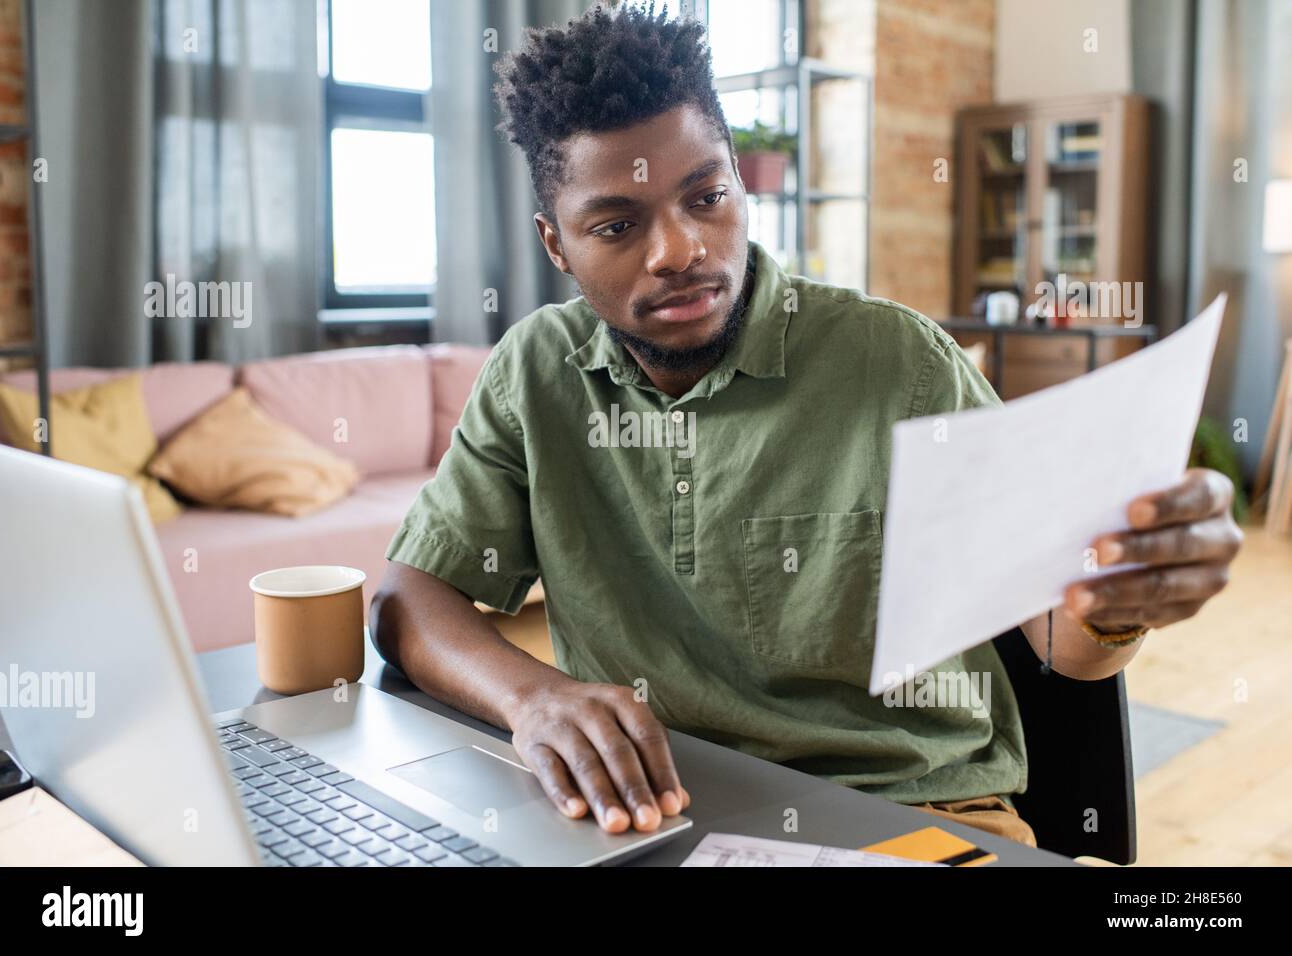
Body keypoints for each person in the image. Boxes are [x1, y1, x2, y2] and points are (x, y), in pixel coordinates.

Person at [370, 4, 1241, 848]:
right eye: (617, 225)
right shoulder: (534, 374)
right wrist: (533, 699)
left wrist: (1119, 600)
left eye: (706, 196)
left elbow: (1061, 647)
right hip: (651, 812)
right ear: (555, 244)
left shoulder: (899, 364)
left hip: (910, 816)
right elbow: (408, 599)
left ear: (740, 182)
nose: (679, 250)